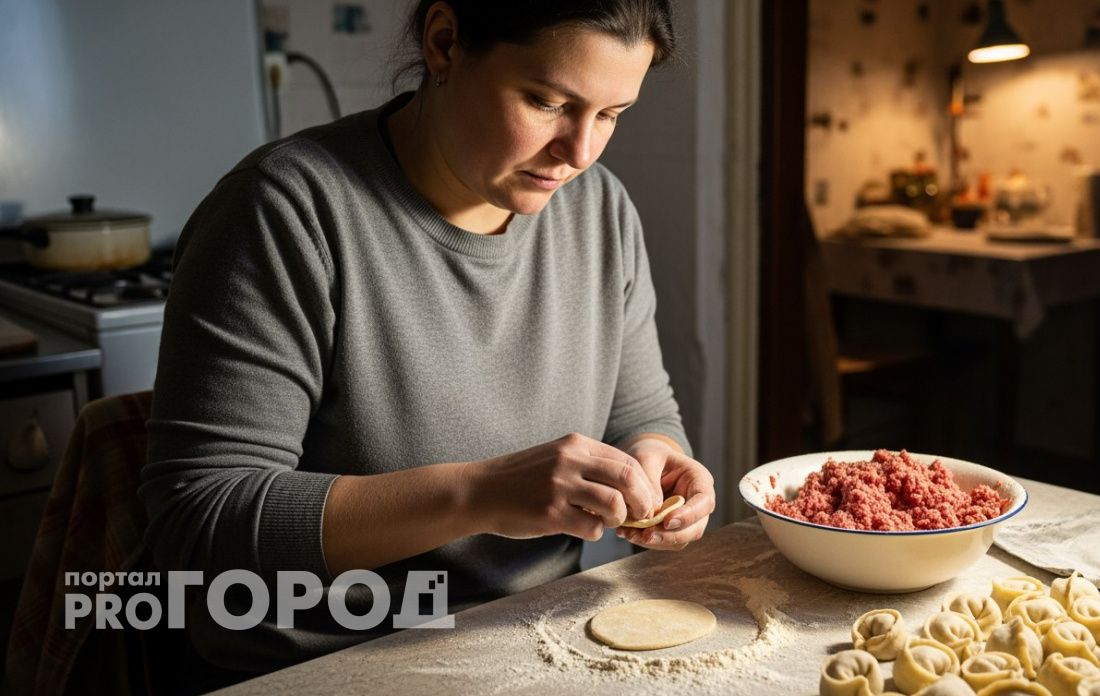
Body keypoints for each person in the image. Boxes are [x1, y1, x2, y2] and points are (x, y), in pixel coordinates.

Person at [140, 0, 714, 680]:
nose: (580, 152)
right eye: (547, 101)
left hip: (527, 648)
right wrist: (481, 493)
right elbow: (195, 529)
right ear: (444, 43)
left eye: (611, 115)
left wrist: (658, 459)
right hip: (320, 666)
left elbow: (640, 414)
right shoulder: (285, 212)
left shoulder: (602, 212)